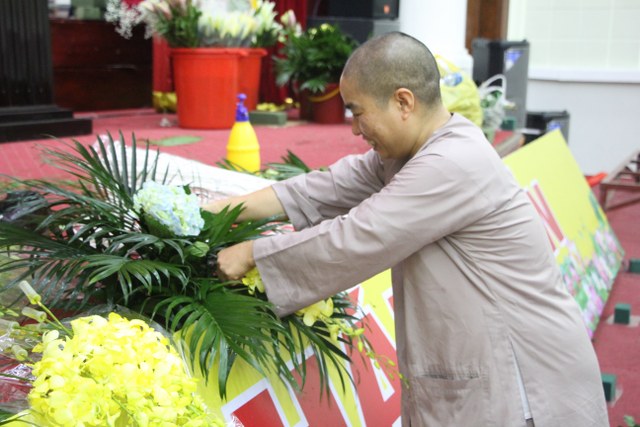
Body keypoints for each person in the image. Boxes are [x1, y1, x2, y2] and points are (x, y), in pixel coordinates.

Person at [206, 32, 609, 427]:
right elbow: (326, 187)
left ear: (403, 101)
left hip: (526, 382)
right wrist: (218, 210)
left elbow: (360, 236)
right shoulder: (410, 154)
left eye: (357, 112)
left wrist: (251, 254)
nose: (354, 129)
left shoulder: (452, 161)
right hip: (487, 368)